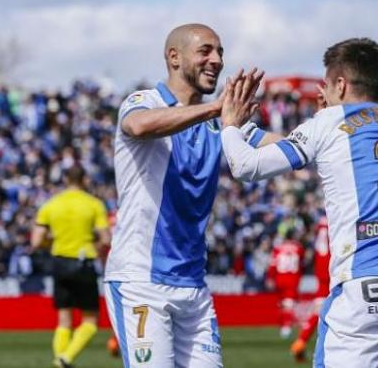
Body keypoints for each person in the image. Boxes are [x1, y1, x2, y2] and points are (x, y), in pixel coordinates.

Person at [220, 38, 378, 367]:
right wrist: (253, 131)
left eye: (327, 86)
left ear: (340, 85)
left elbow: (245, 166)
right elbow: (321, 144)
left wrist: (230, 126)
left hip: (361, 283)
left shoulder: (327, 123)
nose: (325, 94)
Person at [103, 23, 263, 368]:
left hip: (193, 286)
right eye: (205, 50)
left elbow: (276, 144)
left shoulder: (221, 120)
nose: (217, 60)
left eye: (220, 52)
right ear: (174, 58)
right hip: (141, 279)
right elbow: (139, 126)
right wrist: (217, 110)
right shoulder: (144, 101)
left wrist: (323, 129)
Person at [31, 164, 111, 368]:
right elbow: (106, 238)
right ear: (84, 180)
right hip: (84, 263)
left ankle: (60, 360)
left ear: (65, 180)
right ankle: (65, 359)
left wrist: (53, 241)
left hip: (59, 262)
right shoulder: (94, 204)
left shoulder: (51, 204)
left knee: (64, 320)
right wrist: (93, 244)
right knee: (90, 321)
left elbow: (36, 241)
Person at [290, 216, 330, 362]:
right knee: (321, 311)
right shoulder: (335, 217)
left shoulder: (320, 223)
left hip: (321, 268)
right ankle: (301, 342)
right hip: (331, 269)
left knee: (320, 309)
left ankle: (301, 342)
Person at [265, 229, 305, 339]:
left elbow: (273, 264)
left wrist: (270, 278)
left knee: (282, 303)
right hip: (292, 278)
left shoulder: (278, 248)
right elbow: (302, 262)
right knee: (288, 304)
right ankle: (286, 327)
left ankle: (283, 325)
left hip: (279, 278)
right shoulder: (298, 248)